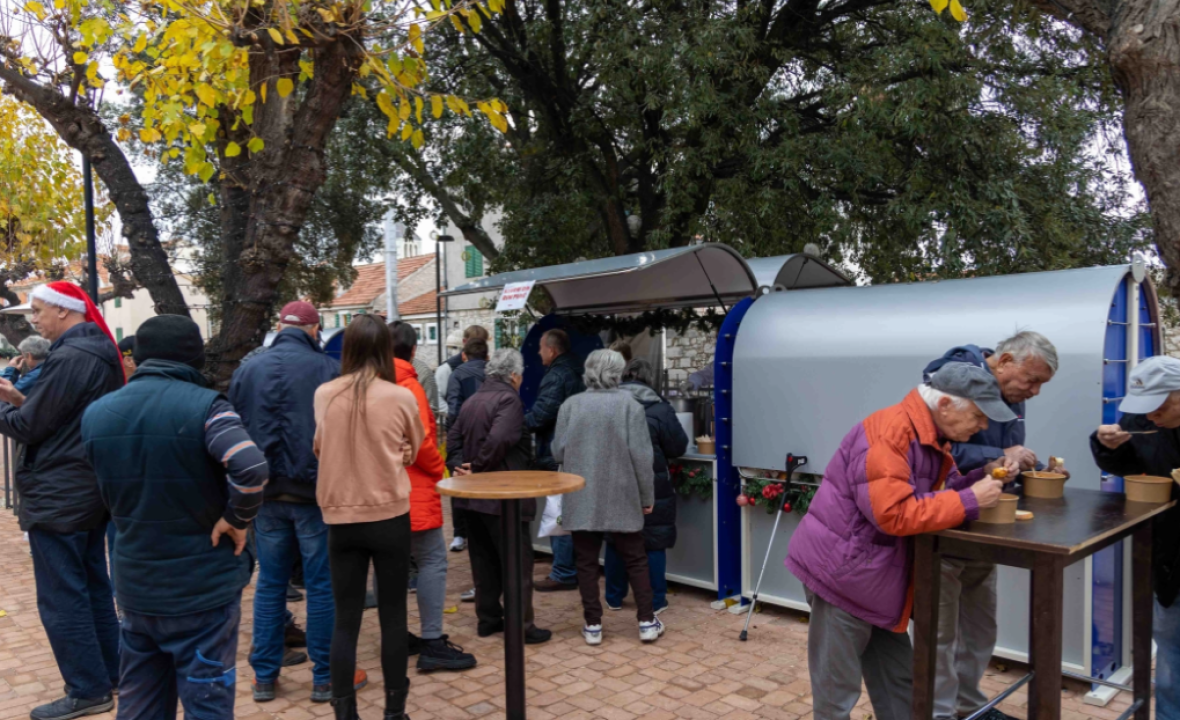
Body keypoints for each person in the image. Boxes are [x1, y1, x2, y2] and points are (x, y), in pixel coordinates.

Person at [785, 363, 1016, 720]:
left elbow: (937, 493)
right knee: (836, 697)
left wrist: (977, 478)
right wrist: (971, 501)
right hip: (844, 579)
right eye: (978, 415)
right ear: (944, 405)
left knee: (901, 688)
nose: (983, 426)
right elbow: (891, 514)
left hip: (876, 580)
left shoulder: (931, 436)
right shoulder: (889, 432)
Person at [81, 314, 269, 720]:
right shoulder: (207, 407)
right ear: (196, 357)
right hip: (202, 586)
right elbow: (251, 468)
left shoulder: (96, 414)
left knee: (140, 699)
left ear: (140, 356)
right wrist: (238, 518)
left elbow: (100, 488)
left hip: (135, 584)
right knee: (206, 700)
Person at [0, 281, 125, 720]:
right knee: (92, 587)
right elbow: (56, 416)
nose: (34, 320)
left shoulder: (71, 357)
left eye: (38, 311)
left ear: (63, 311)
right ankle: (110, 674)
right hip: (85, 490)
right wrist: (18, 401)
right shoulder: (94, 352)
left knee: (62, 597)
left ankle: (88, 688)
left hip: (61, 494)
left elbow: (31, 427)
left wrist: (7, 409)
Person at [922, 331, 1060, 720]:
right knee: (941, 631)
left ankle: (969, 705)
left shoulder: (1013, 395)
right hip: (947, 526)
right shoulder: (952, 382)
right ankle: (939, 713)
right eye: (1031, 380)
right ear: (1004, 362)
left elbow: (1003, 457)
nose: (1034, 391)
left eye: (1041, 384)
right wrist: (999, 453)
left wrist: (1024, 463)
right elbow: (941, 448)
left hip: (987, 525)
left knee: (980, 628)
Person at [229, 301, 354, 703]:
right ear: (315, 329)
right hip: (312, 492)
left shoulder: (248, 369)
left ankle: (265, 676)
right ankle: (324, 677)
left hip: (265, 493)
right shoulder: (327, 370)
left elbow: (233, 426)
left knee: (270, 583)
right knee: (320, 585)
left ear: (280, 326)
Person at [314, 315, 424, 720]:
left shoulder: (325, 394)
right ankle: (395, 710)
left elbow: (320, 447)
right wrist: (399, 454)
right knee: (393, 614)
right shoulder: (399, 396)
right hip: (389, 512)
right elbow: (415, 443)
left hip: (340, 516)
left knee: (346, 618)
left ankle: (345, 711)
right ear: (383, 351)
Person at [1089, 355, 1180, 720]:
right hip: (1171, 552)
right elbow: (1127, 465)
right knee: (1171, 655)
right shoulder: (1141, 419)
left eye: (1159, 406)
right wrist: (1106, 446)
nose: (1151, 417)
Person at [552, 349, 663, 645]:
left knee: (586, 561)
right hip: (622, 491)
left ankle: (592, 625)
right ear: (619, 372)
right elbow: (642, 457)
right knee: (636, 558)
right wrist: (646, 496)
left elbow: (558, 451)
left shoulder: (571, 405)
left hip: (581, 491)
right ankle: (646, 621)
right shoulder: (630, 406)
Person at [446, 348, 552, 644]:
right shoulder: (509, 400)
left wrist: (460, 468)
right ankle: (521, 626)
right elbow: (500, 439)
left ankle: (488, 619)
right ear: (514, 375)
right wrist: (476, 469)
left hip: (472, 498)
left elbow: (452, 437)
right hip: (503, 497)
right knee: (516, 564)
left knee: (484, 562)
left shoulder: (472, 400)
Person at [389, 322, 477, 671]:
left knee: (391, 567)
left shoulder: (368, 384)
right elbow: (423, 442)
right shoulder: (409, 387)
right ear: (412, 351)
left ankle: (396, 635)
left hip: (381, 493)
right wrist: (441, 466)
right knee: (431, 562)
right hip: (414, 489)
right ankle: (431, 640)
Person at [609, 358, 689, 615]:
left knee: (615, 540)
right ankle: (656, 601)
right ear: (648, 379)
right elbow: (678, 447)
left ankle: (613, 597)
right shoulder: (659, 408)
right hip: (651, 483)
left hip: (613, 480)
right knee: (653, 541)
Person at [527, 329, 585, 593]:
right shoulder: (576, 369)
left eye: (541, 348)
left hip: (558, 451)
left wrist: (513, 424)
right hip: (576, 448)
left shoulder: (558, 375)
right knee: (569, 510)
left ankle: (563, 571)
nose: (539, 353)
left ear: (552, 349)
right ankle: (573, 567)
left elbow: (541, 415)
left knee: (559, 511)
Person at [441, 326, 490, 557]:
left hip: (463, 441)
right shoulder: (494, 373)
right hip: (488, 440)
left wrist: (454, 444)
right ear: (487, 355)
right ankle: (484, 534)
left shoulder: (456, 374)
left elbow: (453, 411)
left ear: (464, 354)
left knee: (459, 487)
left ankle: (461, 534)